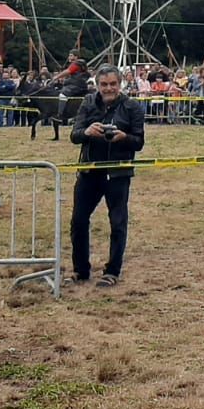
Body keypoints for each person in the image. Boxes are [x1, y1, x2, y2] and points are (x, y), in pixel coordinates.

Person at [68, 65, 146, 286]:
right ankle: (80, 270)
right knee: (78, 221)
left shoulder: (132, 107)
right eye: (104, 84)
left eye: (113, 84)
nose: (108, 88)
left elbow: (139, 142)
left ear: (119, 84)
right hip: (89, 171)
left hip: (118, 173)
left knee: (117, 222)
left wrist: (123, 137)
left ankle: (112, 271)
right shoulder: (88, 103)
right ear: (97, 84)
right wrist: (87, 132)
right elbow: (74, 135)